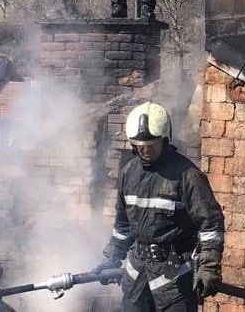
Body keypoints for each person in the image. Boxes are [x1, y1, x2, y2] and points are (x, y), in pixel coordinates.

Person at [92, 102, 224, 312]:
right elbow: (123, 224)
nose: (146, 150)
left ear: (165, 139)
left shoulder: (188, 175)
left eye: (152, 144)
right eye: (140, 145)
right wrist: (112, 257)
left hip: (174, 282)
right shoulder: (128, 173)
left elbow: (211, 225)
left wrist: (209, 267)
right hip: (136, 278)